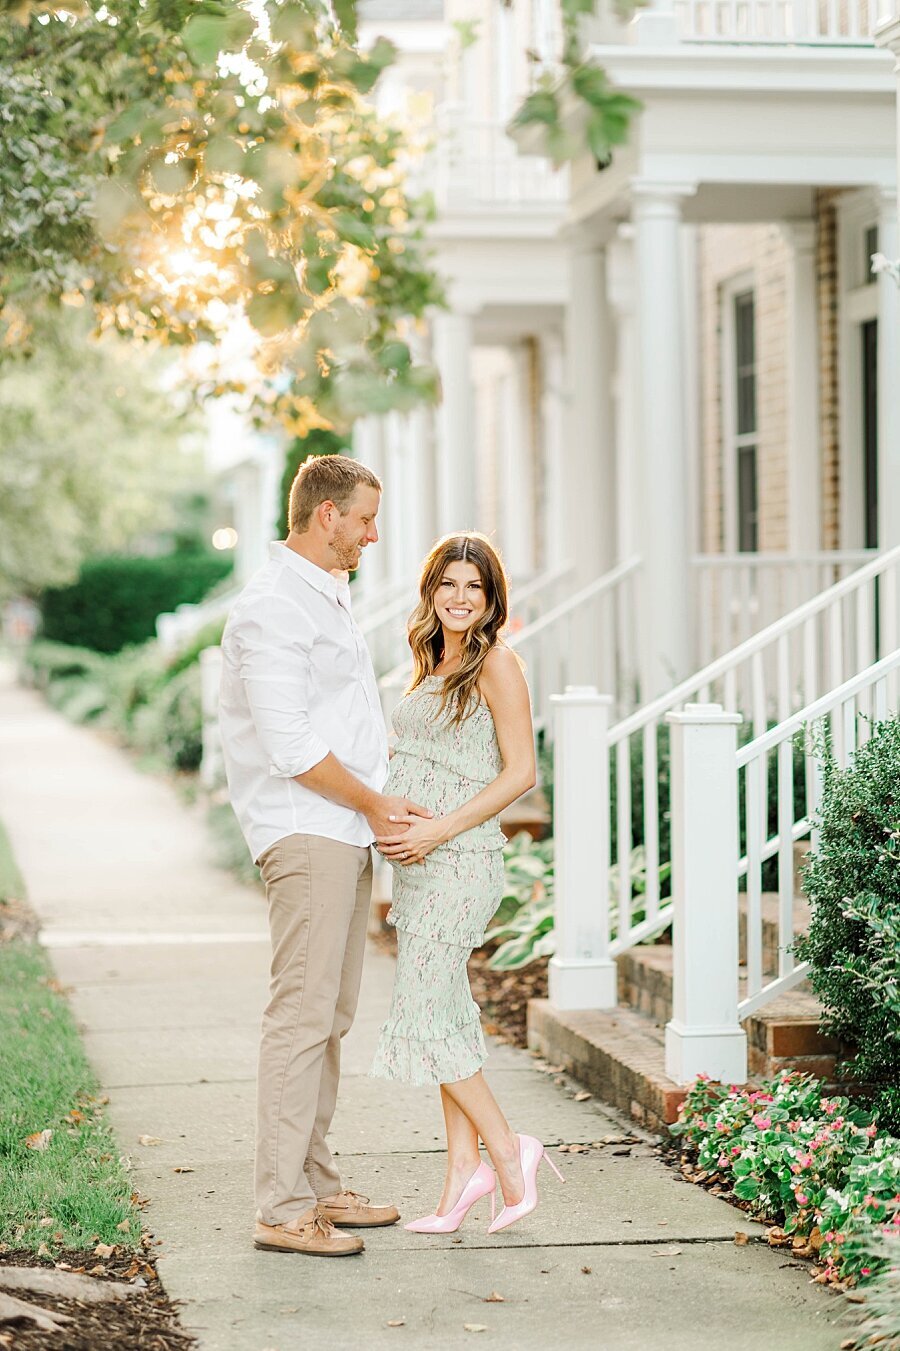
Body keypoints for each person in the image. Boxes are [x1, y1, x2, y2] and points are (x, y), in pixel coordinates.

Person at [218, 453, 433, 1258]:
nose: (374, 534)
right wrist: (377, 802)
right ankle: (280, 1206)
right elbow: (293, 747)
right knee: (302, 1017)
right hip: (306, 828)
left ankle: (315, 1182)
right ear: (326, 515)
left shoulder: (323, 596)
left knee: (330, 1016)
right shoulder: (273, 607)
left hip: (340, 829)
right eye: (365, 518)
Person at [371, 532, 565, 1234]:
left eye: (472, 588)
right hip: (417, 865)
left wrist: (435, 828)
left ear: (491, 601)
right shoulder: (431, 659)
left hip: (460, 861)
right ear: (430, 591)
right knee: (444, 1015)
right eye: (447, 584)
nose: (458, 597)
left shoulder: (498, 663)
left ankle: (512, 1153)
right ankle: (461, 1172)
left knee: (425, 1015)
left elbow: (521, 773)